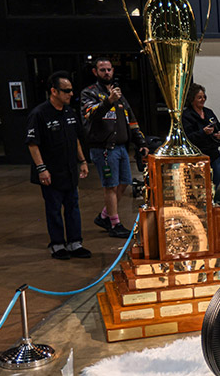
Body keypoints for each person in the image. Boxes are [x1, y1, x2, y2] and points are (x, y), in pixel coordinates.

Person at [80, 58, 149, 238]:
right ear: (95, 72)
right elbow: (90, 115)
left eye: (109, 69)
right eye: (102, 70)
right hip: (104, 148)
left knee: (125, 182)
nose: (107, 73)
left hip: (121, 147)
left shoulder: (119, 95)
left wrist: (141, 143)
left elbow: (132, 121)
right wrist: (108, 101)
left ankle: (104, 216)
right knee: (110, 186)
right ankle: (115, 224)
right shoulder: (89, 93)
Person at [27, 71, 92, 260]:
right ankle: (57, 245)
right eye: (66, 91)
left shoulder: (69, 112)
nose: (71, 94)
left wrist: (82, 161)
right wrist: (41, 168)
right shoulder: (39, 114)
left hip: (69, 170)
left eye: (72, 91)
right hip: (51, 172)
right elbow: (33, 143)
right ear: (54, 91)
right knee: (54, 209)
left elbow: (75, 139)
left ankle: (75, 243)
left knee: (73, 207)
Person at [182, 83, 220, 188]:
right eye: (199, 98)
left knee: (218, 175)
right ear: (192, 99)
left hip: (213, 153)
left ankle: (212, 198)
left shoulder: (208, 112)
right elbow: (189, 137)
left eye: (204, 97)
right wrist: (203, 132)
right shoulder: (187, 115)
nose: (203, 100)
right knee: (200, 182)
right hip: (199, 155)